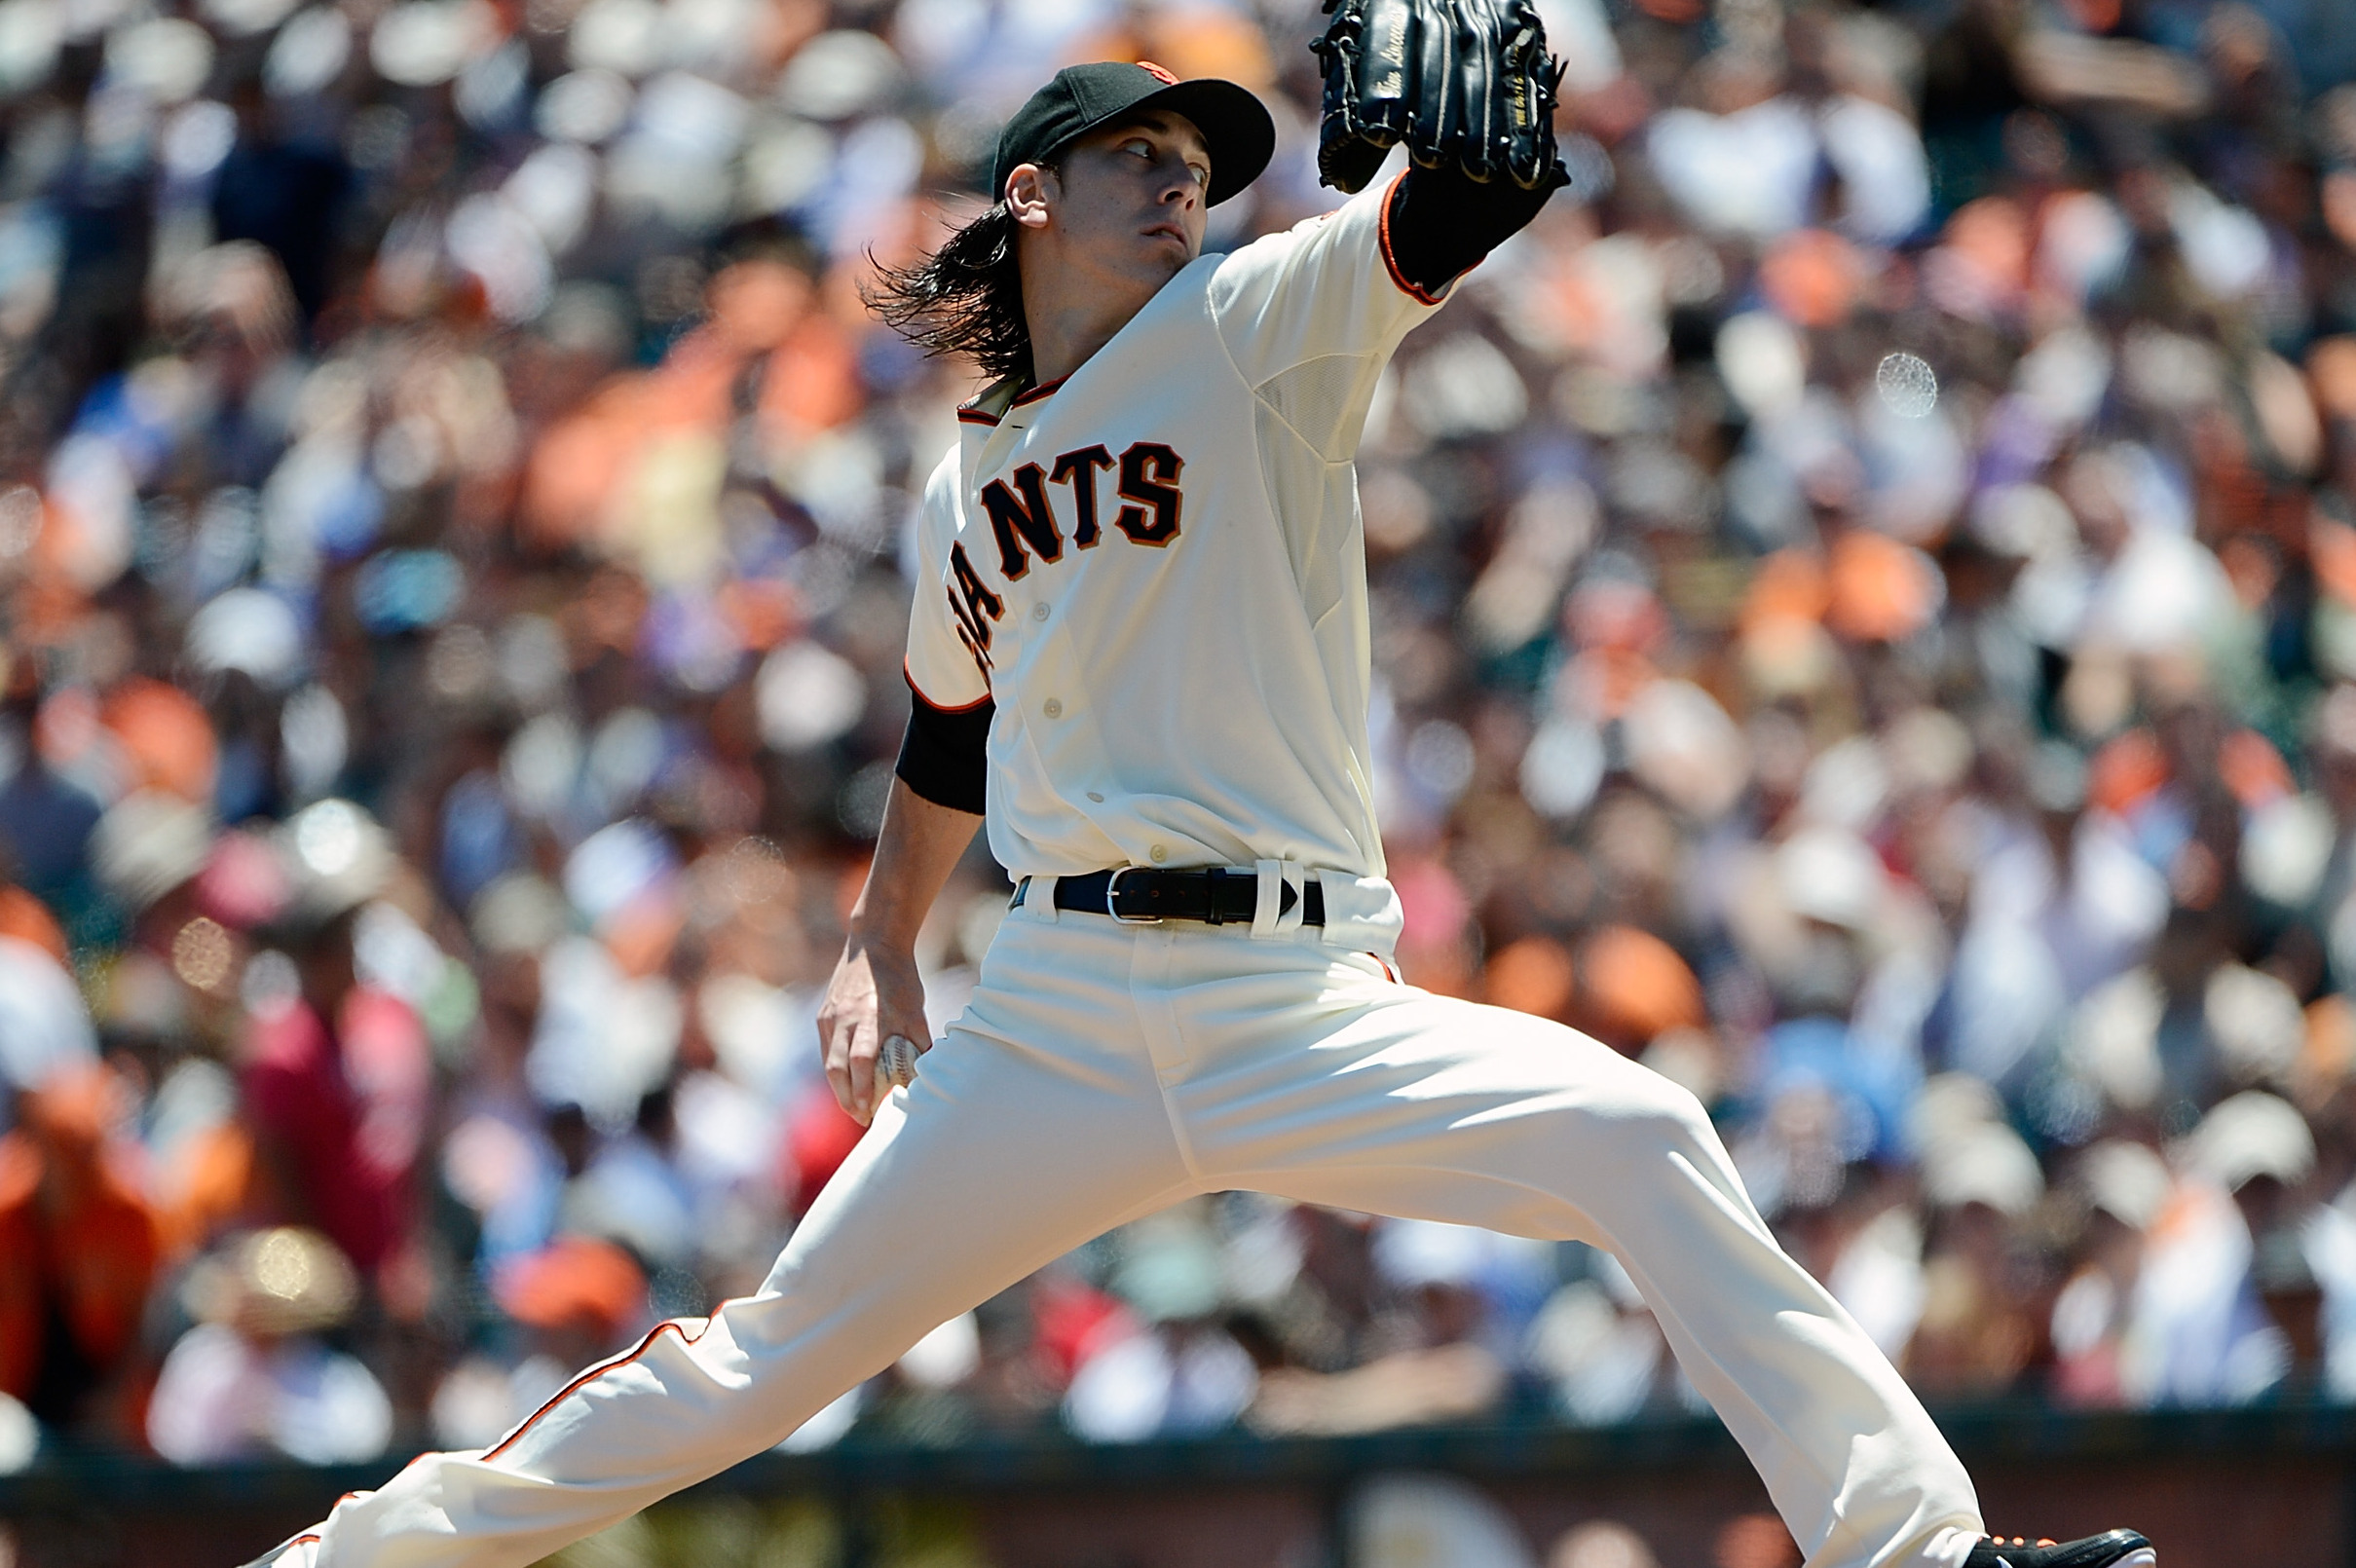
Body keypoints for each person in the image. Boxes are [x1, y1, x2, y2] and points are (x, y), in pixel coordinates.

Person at [245, 52, 2153, 1568]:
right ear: (1029, 194)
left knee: (1637, 1133)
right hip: (1055, 1010)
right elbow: (941, 737)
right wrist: (875, 937)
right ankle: (357, 1562)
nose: (1180, 183)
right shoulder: (957, 483)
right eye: (1137, 158)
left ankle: (1909, 1552)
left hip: (1296, 1002)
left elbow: (1437, 220)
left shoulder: (1250, 323)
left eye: (1197, 161)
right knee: (759, 1361)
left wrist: (1483, 151)